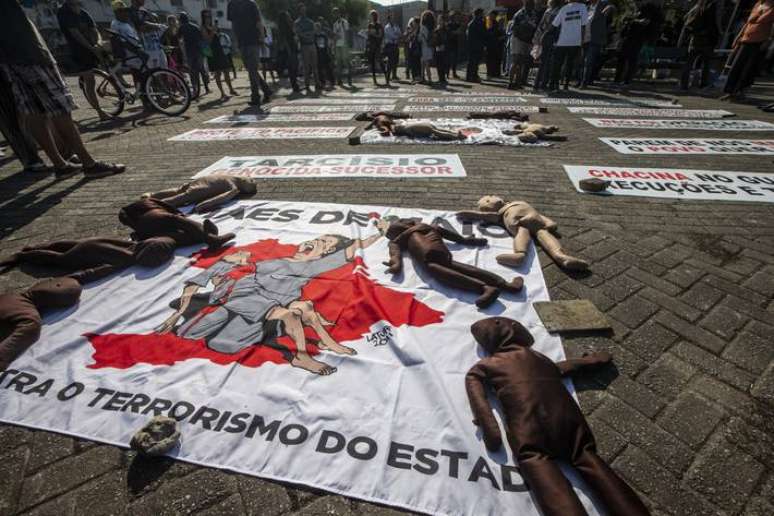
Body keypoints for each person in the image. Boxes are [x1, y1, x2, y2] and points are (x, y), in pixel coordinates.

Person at [156, 230, 387, 375]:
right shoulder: (268, 260)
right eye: (317, 237)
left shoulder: (315, 266)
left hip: (266, 308)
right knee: (188, 334)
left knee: (224, 345)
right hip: (240, 300)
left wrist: (379, 233)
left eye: (323, 243)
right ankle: (303, 350)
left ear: (325, 254)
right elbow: (218, 274)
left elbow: (351, 250)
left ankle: (304, 355)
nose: (315, 241)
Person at [0, 1, 124, 178]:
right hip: (29, 52)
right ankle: (88, 163)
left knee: (33, 111)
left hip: (7, 59)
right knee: (60, 108)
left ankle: (60, 164)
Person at [56, 0, 107, 120]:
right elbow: (75, 34)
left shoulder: (83, 13)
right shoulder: (64, 13)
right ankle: (100, 111)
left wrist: (98, 43)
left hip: (91, 50)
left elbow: (95, 29)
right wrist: (91, 48)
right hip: (78, 51)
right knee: (90, 79)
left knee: (100, 74)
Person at [722, 0, 774, 99]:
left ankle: (740, 91)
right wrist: (738, 37)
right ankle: (730, 91)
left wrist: (768, 41)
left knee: (748, 69)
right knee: (736, 66)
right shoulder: (758, 4)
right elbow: (747, 23)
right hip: (746, 38)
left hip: (759, 41)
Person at [228, 0, 272, 106]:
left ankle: (255, 97)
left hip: (253, 40)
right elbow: (233, 24)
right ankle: (266, 90)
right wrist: (235, 41)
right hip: (242, 41)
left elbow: (258, 22)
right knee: (251, 70)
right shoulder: (231, 4)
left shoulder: (251, 3)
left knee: (252, 69)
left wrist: (261, 37)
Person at [614, 3, 663, 86]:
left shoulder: (647, 10)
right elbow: (625, 20)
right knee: (622, 60)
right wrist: (636, 21)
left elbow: (646, 22)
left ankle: (626, 80)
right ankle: (618, 79)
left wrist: (634, 21)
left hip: (637, 39)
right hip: (628, 37)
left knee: (631, 61)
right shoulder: (632, 9)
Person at [549, 0, 588, 90]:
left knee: (558, 63)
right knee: (570, 64)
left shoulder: (564, 8)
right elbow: (583, 25)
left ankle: (554, 84)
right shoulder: (582, 7)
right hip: (575, 41)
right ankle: (566, 85)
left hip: (562, 41)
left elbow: (555, 24)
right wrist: (582, 41)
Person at [201, 10, 237, 98]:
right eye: (206, 17)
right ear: (203, 18)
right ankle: (222, 93)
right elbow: (208, 40)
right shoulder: (203, 27)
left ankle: (231, 89)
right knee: (217, 73)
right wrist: (213, 31)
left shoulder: (212, 26)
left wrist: (215, 30)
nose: (208, 18)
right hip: (212, 52)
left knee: (226, 70)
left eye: (209, 16)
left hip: (219, 50)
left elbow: (217, 37)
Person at [581, 0, 614, 88]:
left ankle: (584, 82)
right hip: (584, 38)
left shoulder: (602, 4)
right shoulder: (587, 7)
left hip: (595, 38)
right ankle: (581, 81)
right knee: (583, 61)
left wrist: (608, 9)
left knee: (588, 61)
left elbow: (611, 6)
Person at [508, 0, 539, 89]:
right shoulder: (519, 14)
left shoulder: (533, 14)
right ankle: (510, 83)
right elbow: (513, 28)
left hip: (526, 40)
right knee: (515, 61)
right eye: (530, 4)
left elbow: (534, 27)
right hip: (517, 39)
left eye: (532, 5)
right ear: (526, 4)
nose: (532, 6)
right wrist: (521, 36)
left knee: (521, 62)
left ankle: (518, 83)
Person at [177, 12, 209, 97]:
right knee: (202, 70)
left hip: (189, 52)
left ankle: (195, 90)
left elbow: (178, 39)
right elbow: (202, 39)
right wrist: (206, 52)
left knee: (192, 72)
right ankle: (207, 88)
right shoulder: (195, 26)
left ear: (180, 20)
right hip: (199, 51)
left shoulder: (181, 28)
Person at [128, 0, 167, 69]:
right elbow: (140, 28)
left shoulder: (144, 10)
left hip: (157, 45)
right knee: (153, 71)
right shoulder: (130, 12)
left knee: (164, 69)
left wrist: (154, 26)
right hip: (146, 47)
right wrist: (155, 26)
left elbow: (154, 23)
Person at [532, 0, 561, 90]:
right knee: (548, 63)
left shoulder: (547, 11)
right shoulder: (558, 12)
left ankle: (537, 83)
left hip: (544, 37)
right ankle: (543, 83)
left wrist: (537, 37)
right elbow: (556, 27)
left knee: (543, 62)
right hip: (551, 38)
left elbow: (541, 25)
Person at [294, 2, 320, 93]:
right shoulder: (297, 22)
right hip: (304, 46)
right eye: (301, 9)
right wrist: (308, 34)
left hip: (312, 44)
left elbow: (314, 32)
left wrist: (307, 34)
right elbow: (299, 33)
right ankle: (307, 85)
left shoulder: (310, 21)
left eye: (304, 9)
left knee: (315, 66)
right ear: (299, 11)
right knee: (306, 67)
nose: (303, 11)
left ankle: (317, 83)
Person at [276, 11, 301, 92]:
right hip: (290, 49)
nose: (290, 17)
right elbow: (285, 40)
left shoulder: (289, 26)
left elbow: (294, 35)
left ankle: (295, 85)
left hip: (292, 48)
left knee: (293, 68)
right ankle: (295, 85)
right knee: (293, 67)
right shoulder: (284, 28)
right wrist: (289, 50)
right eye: (288, 16)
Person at [332, 8, 352, 86]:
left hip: (344, 44)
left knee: (346, 62)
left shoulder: (344, 22)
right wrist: (334, 46)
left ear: (339, 13)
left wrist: (347, 44)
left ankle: (349, 79)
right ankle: (339, 80)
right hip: (338, 44)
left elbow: (347, 33)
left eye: (336, 13)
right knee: (339, 63)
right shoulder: (335, 24)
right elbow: (334, 36)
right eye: (334, 13)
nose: (336, 15)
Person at [365, 10, 386, 85]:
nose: (371, 17)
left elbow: (380, 35)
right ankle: (374, 80)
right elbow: (368, 36)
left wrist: (373, 34)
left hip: (377, 46)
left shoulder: (379, 25)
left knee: (380, 61)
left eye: (372, 15)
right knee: (372, 63)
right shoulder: (370, 25)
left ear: (375, 16)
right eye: (371, 16)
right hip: (371, 46)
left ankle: (386, 77)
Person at [466, 8, 486, 82]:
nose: (483, 15)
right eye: (482, 13)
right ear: (479, 14)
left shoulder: (472, 22)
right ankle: (472, 77)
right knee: (474, 62)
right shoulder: (478, 22)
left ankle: (471, 76)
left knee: (472, 62)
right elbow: (482, 33)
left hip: (473, 45)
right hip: (476, 45)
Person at [314, 22, 335, 89]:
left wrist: (329, 52)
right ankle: (322, 82)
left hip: (324, 53)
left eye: (318, 27)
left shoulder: (324, 35)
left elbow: (327, 44)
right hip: (318, 54)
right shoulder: (314, 36)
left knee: (328, 68)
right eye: (316, 27)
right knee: (319, 69)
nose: (317, 29)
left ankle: (332, 81)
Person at [485, 11, 504, 79]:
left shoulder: (496, 22)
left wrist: (501, 37)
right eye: (491, 15)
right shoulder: (487, 22)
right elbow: (487, 33)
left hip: (496, 44)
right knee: (489, 60)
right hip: (489, 44)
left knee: (496, 59)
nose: (491, 16)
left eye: (493, 15)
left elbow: (498, 32)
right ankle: (489, 74)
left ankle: (496, 73)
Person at [384, 12, 402, 81]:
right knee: (390, 61)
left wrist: (397, 35)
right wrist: (397, 35)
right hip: (390, 45)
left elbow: (400, 34)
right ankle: (388, 76)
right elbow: (392, 36)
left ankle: (394, 75)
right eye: (391, 18)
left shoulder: (396, 26)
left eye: (393, 18)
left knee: (396, 60)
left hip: (396, 45)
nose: (393, 19)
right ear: (389, 19)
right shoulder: (387, 27)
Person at [419, 10, 436, 84]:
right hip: (429, 47)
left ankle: (428, 79)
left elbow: (420, 38)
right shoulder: (431, 28)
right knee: (426, 64)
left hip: (423, 46)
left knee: (424, 64)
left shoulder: (423, 27)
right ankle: (424, 78)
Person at [434, 14, 449, 84]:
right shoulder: (437, 28)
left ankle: (442, 79)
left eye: (441, 20)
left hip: (442, 48)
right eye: (439, 19)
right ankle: (441, 78)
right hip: (437, 48)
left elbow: (445, 38)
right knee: (439, 64)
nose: (439, 21)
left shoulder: (444, 29)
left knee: (442, 64)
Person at [447, 11, 462, 79]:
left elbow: (459, 32)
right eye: (455, 17)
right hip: (449, 44)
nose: (456, 18)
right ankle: (447, 73)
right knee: (449, 59)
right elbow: (449, 33)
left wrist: (455, 32)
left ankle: (454, 73)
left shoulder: (457, 24)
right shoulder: (448, 24)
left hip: (455, 43)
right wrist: (455, 32)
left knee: (455, 60)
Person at [406, 17, 422, 82]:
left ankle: (418, 77)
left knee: (417, 63)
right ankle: (414, 77)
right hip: (411, 48)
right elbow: (408, 38)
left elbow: (419, 39)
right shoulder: (412, 29)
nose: (413, 23)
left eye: (414, 22)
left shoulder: (419, 30)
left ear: (417, 23)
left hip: (416, 48)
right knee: (412, 63)